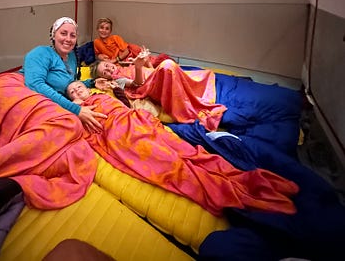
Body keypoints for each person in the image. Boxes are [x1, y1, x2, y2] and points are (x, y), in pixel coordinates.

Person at [65, 80, 299, 217]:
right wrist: (76, 109)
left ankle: (246, 179)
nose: (77, 91)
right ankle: (235, 195)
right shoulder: (79, 111)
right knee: (174, 166)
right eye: (72, 93)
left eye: (78, 87)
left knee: (192, 153)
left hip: (139, 122)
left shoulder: (101, 93)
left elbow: (122, 97)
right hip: (123, 136)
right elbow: (88, 134)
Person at [90, 53, 227, 131]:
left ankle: (191, 87)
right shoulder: (118, 80)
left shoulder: (123, 65)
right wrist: (138, 67)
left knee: (167, 62)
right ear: (105, 77)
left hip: (153, 75)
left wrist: (145, 61)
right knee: (167, 65)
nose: (109, 70)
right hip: (150, 86)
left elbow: (149, 70)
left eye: (107, 66)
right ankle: (190, 107)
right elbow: (137, 84)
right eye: (105, 72)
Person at [20, 17, 107, 133]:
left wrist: (91, 82)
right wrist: (76, 110)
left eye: (72, 35)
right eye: (63, 33)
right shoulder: (40, 53)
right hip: (25, 99)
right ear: (53, 35)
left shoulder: (71, 57)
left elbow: (69, 85)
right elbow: (35, 84)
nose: (68, 39)